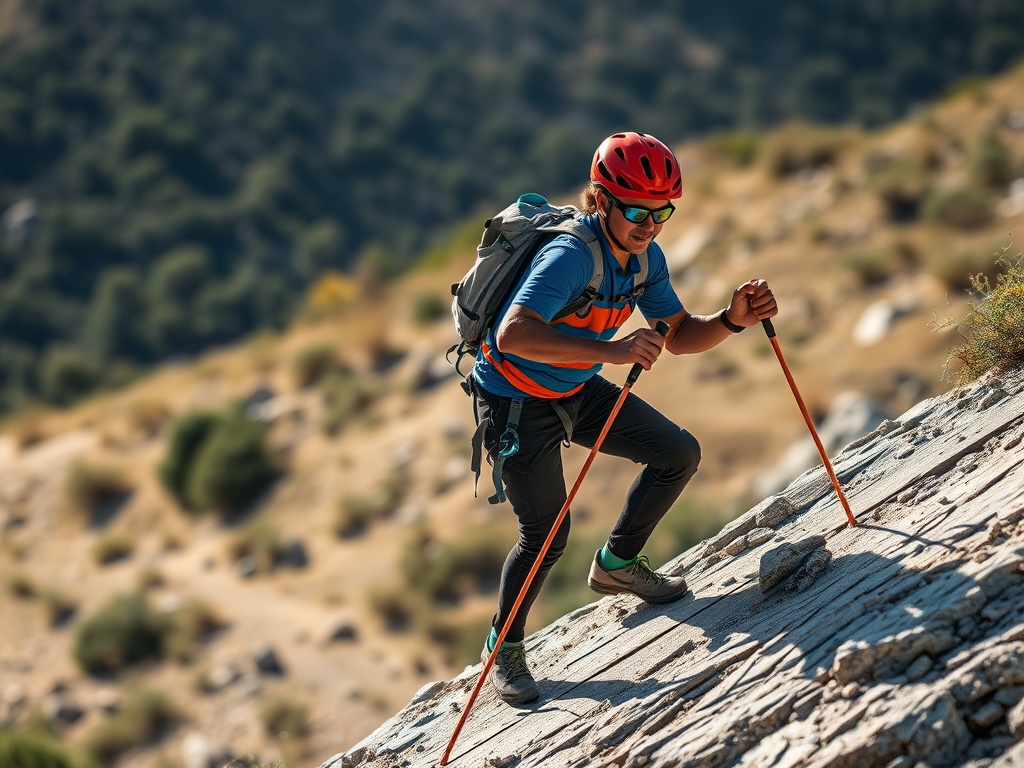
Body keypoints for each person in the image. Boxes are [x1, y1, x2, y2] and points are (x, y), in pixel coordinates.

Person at [467, 131, 778, 703]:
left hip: (576, 385)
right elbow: (513, 334)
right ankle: (502, 647)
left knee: (678, 454)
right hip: (515, 401)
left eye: (663, 212)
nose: (651, 224)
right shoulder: (569, 255)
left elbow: (679, 336)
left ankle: (617, 564)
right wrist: (612, 351)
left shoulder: (645, 260)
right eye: (638, 210)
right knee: (546, 533)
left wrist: (732, 319)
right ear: (600, 199)